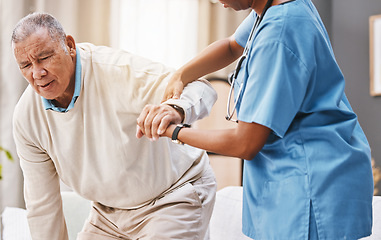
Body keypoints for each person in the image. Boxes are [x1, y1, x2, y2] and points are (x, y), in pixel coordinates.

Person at [136, 0, 374, 239]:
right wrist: (181, 75)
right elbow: (231, 46)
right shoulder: (277, 8)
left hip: (311, 184)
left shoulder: (278, 36)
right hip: (321, 171)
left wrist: (174, 131)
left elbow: (245, 143)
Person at [11, 12, 218, 240]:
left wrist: (176, 109)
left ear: (69, 45)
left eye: (44, 57)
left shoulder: (117, 71)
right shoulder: (26, 117)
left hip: (173, 196)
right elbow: (43, 207)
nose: (37, 73)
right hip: (108, 214)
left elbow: (200, 88)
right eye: (26, 65)